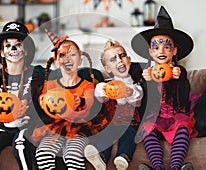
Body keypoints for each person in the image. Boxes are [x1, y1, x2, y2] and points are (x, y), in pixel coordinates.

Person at [131, 6, 198, 170]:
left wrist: (180, 77)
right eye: (156, 47)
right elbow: (142, 103)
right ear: (150, 52)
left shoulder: (178, 72)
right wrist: (144, 82)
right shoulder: (147, 74)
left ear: (174, 51)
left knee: (183, 126)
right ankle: (158, 167)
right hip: (155, 117)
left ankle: (176, 167)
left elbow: (184, 97)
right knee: (146, 128)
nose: (161, 50)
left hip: (175, 116)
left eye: (167, 46)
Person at [32, 29, 96, 170]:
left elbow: (91, 106)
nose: (67, 59)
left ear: (80, 59)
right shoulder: (50, 85)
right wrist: (42, 100)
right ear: (56, 61)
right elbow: (43, 103)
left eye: (72, 54)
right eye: (63, 55)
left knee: (72, 155)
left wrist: (82, 102)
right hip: (55, 129)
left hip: (79, 129)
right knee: (43, 154)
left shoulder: (87, 86)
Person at [84, 39, 145, 170]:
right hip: (111, 123)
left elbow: (138, 99)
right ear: (107, 68)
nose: (119, 60)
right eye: (113, 59)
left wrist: (129, 92)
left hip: (130, 122)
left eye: (122, 56)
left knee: (129, 134)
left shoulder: (136, 85)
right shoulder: (106, 84)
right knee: (106, 133)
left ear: (128, 60)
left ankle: (123, 157)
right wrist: (105, 89)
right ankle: (101, 157)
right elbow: (99, 95)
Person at [0, 21, 37, 170]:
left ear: (26, 51)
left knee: (20, 146)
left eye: (18, 44)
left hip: (26, 124)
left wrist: (24, 103)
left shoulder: (33, 74)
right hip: (3, 125)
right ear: (2, 52)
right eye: (8, 45)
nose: (13, 48)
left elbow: (29, 92)